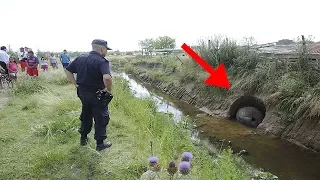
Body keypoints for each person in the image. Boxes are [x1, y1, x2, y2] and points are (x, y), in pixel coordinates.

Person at [65, 39, 113, 151]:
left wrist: (75, 84)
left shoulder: (80, 58)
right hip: (97, 94)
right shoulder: (102, 61)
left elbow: (68, 70)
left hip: (82, 92)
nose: (106, 52)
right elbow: (107, 77)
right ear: (101, 49)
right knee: (101, 117)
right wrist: (108, 89)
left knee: (86, 114)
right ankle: (100, 144)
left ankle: (83, 139)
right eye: (106, 49)